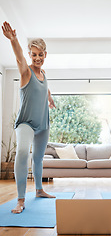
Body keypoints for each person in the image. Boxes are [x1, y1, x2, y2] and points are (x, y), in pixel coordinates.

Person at [2, 21, 56, 214]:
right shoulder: (26, 71)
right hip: (25, 122)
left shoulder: (44, 73)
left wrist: (49, 98)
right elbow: (18, 58)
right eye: (34, 54)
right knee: (24, 152)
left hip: (43, 123)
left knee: (39, 159)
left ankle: (40, 190)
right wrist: (14, 40)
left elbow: (45, 86)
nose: (37, 58)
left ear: (45, 55)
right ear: (30, 55)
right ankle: (20, 199)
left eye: (41, 54)